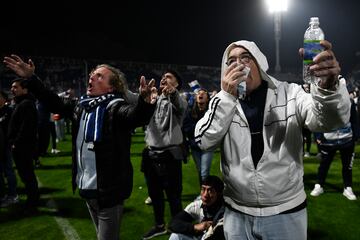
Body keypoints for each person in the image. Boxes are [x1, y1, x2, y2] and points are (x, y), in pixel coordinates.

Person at [194, 40, 350, 240]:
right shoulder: (223, 102)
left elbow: (330, 121)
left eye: (245, 57)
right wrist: (226, 97)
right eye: (231, 60)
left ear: (258, 63)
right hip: (236, 213)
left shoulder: (290, 93)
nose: (238, 64)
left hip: (286, 211)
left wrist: (328, 89)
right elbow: (203, 140)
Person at [4, 54, 158, 240]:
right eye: (92, 74)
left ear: (112, 87)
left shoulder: (115, 108)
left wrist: (145, 104)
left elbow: (135, 116)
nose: (92, 77)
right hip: (87, 189)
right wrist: (31, 78)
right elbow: (53, 101)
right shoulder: (81, 106)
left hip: (108, 193)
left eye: (99, 76)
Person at [142, 70, 188, 239]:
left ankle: (177, 227)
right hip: (150, 154)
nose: (164, 78)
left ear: (176, 84)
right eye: (163, 76)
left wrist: (173, 93)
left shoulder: (179, 99)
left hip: (169, 155)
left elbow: (180, 105)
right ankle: (159, 225)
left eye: (169, 77)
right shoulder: (154, 99)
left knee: (173, 196)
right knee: (154, 194)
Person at [311, 96, 359, 200]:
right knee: (324, 165)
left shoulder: (349, 101)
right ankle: (319, 185)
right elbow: (317, 118)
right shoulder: (323, 100)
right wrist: (318, 135)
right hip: (328, 139)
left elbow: (354, 119)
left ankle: (348, 187)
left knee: (347, 166)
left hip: (347, 139)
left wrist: (355, 136)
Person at [8, 78, 39, 212]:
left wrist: (16, 143)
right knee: (26, 174)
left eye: (15, 87)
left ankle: (32, 201)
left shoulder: (26, 104)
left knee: (27, 174)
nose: (12, 89)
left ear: (24, 89)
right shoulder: (23, 103)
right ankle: (32, 199)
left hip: (23, 147)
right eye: (12, 87)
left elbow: (26, 127)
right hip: (22, 146)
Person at [168, 175, 225, 240]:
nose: (205, 195)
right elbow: (173, 224)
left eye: (210, 191)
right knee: (175, 236)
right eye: (203, 189)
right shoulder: (197, 205)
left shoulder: (227, 212)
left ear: (219, 193)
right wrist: (195, 227)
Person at [183, 88, 214, 185]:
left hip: (207, 147)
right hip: (195, 146)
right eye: (198, 93)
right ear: (196, 98)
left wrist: (197, 129)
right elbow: (186, 128)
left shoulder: (211, 112)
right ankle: (203, 192)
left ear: (207, 99)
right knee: (200, 170)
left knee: (204, 173)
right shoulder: (190, 112)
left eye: (203, 93)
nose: (200, 94)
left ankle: (205, 194)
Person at [0, 90, 18, 207]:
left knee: (8, 171)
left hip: (6, 146)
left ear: (4, 99)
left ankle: (13, 195)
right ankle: (2, 196)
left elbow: (13, 129)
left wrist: (12, 142)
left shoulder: (9, 111)